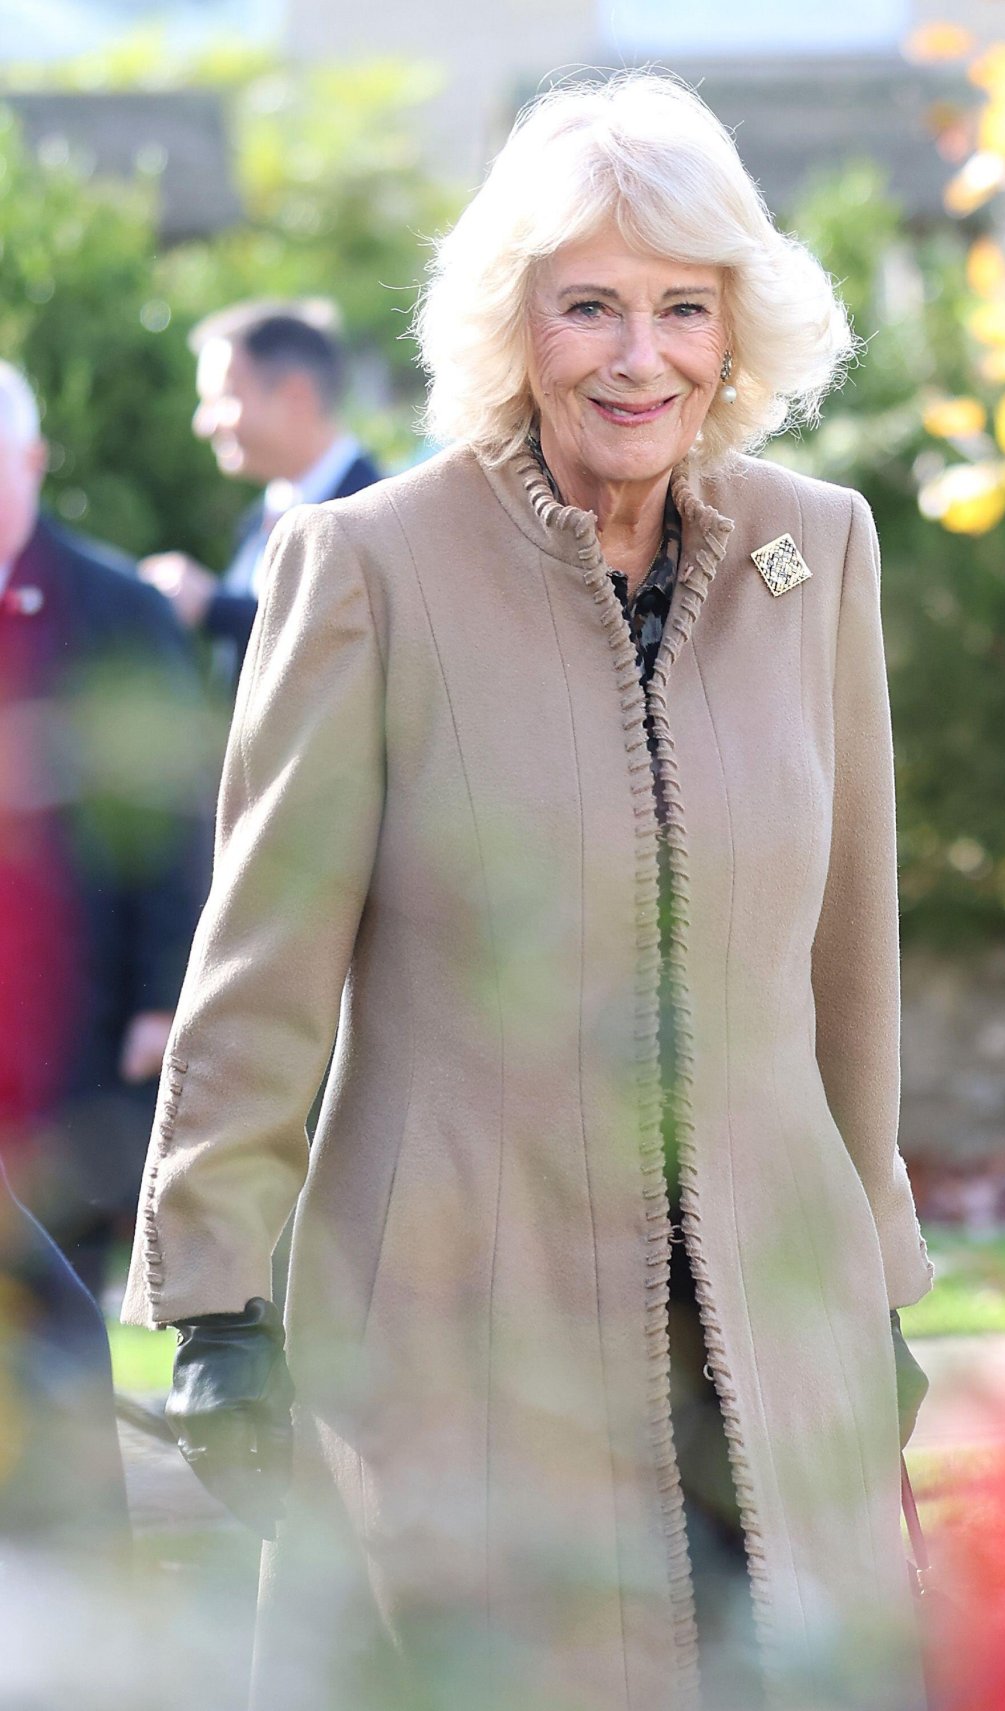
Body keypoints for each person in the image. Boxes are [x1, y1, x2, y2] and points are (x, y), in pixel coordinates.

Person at [123, 75, 933, 1711]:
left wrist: (876, 1279)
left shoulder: (814, 551)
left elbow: (850, 965)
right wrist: (217, 1301)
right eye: (591, 308)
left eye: (683, 308)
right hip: (465, 1317)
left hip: (768, 1346)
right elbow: (263, 964)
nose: (642, 357)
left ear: (737, 328)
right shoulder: (368, 565)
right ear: (514, 326)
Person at [0, 360, 209, 1297]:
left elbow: (175, 811)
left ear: (33, 459)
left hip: (69, 1009)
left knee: (57, 1294)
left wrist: (162, 997)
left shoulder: (116, 608)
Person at [139, 301, 382, 686]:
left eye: (223, 398)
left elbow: (334, 651)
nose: (202, 424)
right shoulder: (259, 518)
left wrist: (212, 606)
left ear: (296, 396)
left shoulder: (375, 514)